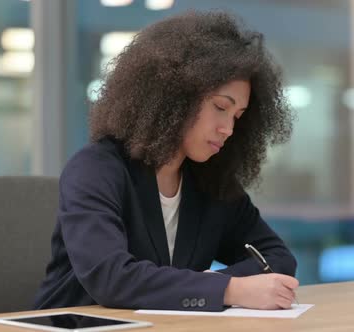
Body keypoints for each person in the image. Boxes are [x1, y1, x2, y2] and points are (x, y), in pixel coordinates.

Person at [34, 10, 298, 312]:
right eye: (220, 107)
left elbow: (277, 258)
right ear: (175, 95)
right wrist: (228, 289)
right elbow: (112, 280)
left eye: (238, 116)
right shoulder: (95, 169)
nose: (229, 128)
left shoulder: (212, 182)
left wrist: (211, 285)